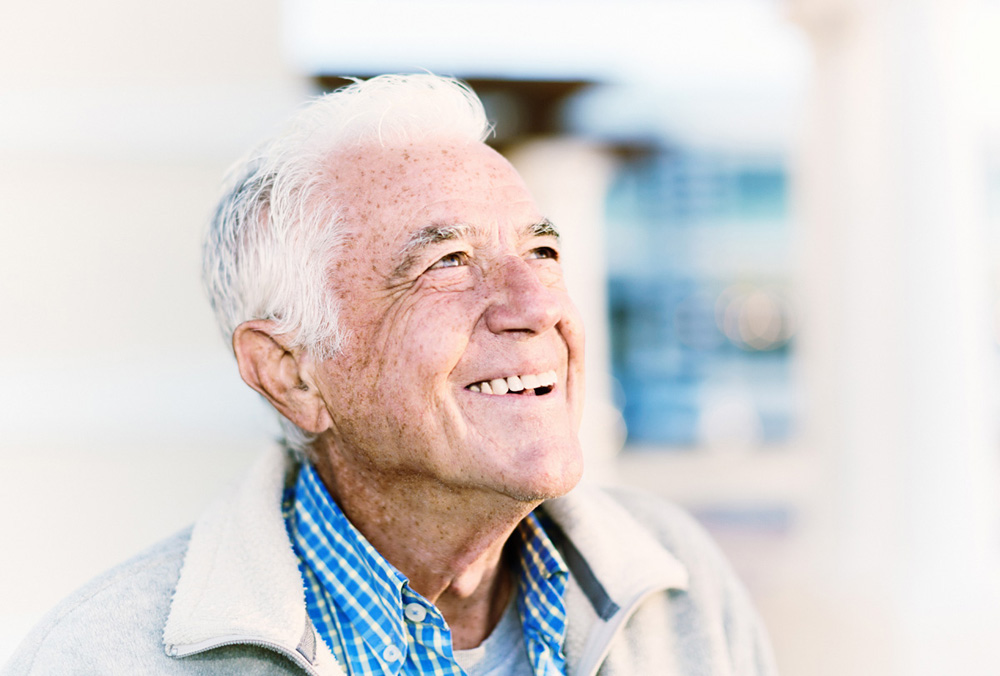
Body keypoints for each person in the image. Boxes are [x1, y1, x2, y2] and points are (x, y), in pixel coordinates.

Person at [3, 74, 777, 676]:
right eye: (448, 263)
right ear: (291, 374)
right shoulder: (103, 657)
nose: (538, 304)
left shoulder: (677, 580)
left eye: (542, 252)